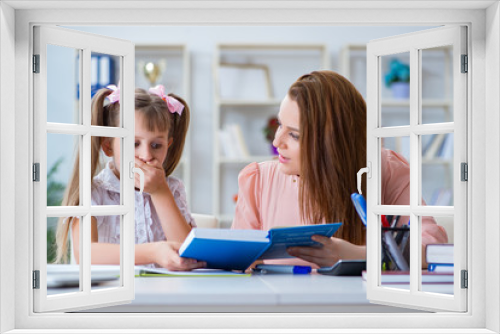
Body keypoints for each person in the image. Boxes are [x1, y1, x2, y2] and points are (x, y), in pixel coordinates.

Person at [231, 70, 448, 269]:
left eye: (294, 135)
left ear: (331, 143)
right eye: (280, 125)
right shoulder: (258, 180)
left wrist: (360, 255)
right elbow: (236, 264)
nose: (277, 141)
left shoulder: (385, 170)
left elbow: (432, 247)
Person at [55, 84, 205, 271]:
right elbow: (85, 253)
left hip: (164, 295)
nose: (146, 155)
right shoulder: (94, 192)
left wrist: (160, 193)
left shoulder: (172, 190)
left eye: (157, 145)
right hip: (110, 295)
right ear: (108, 146)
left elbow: (190, 254)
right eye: (134, 143)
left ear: (169, 145)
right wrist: (153, 252)